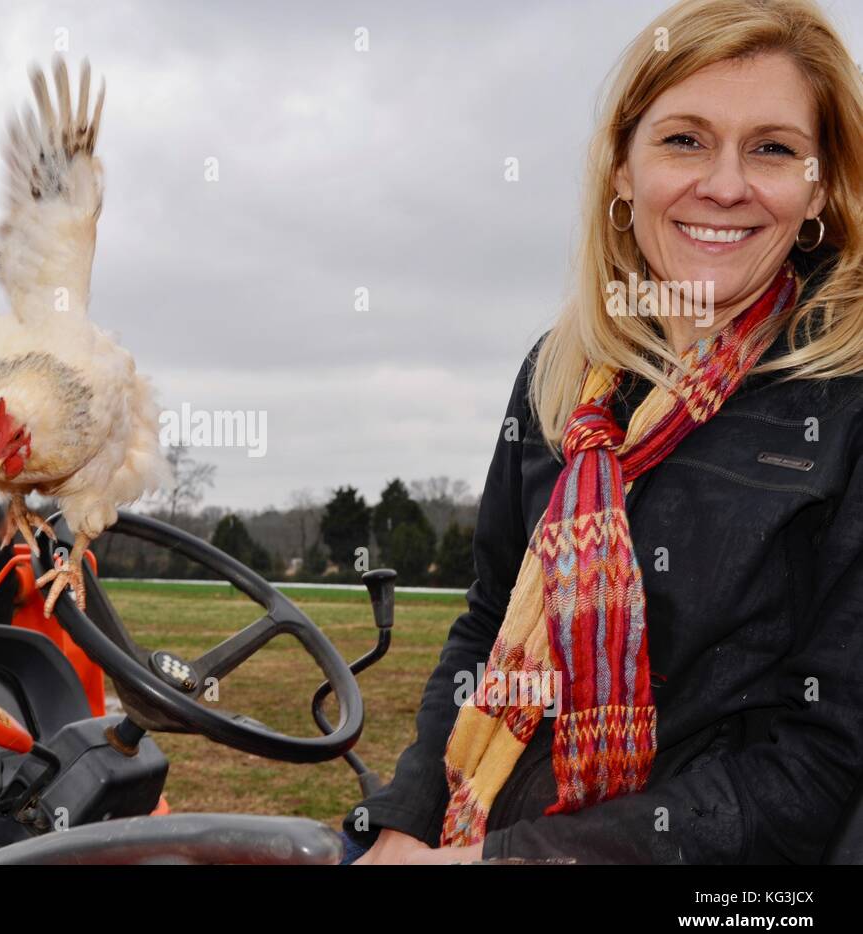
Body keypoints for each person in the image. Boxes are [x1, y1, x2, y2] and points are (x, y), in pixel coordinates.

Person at [344, 0, 863, 864]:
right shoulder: (560, 374)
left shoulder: (843, 401)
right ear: (622, 171)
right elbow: (482, 628)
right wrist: (404, 822)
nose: (725, 184)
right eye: (684, 140)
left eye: (771, 148)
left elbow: (820, 764)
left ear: (820, 184)